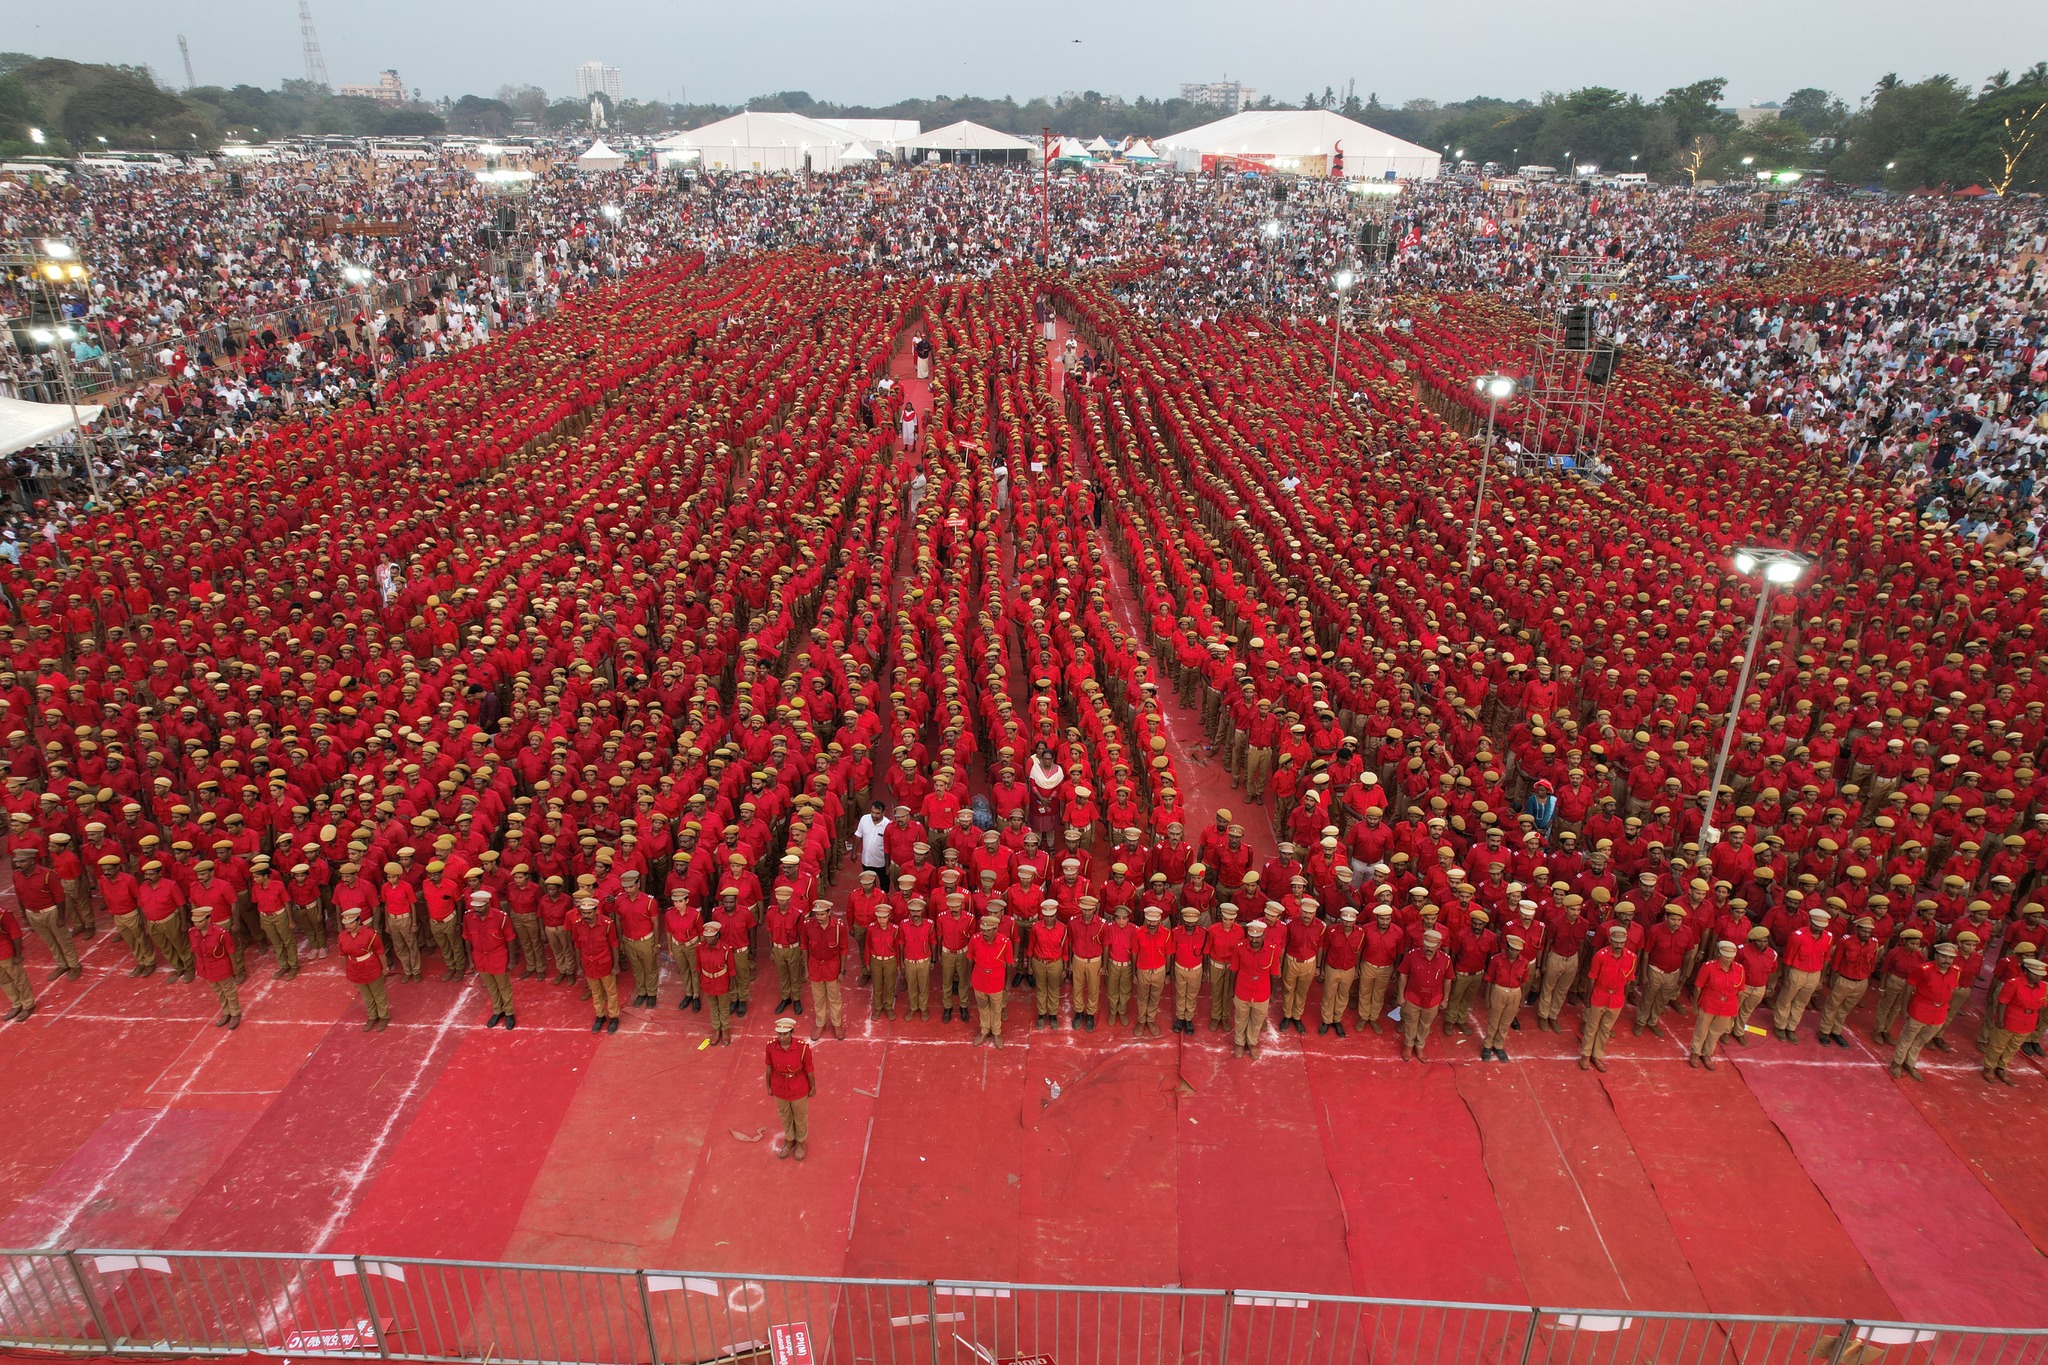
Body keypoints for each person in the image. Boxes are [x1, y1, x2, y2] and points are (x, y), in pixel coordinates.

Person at [1890, 942, 1964, 1080]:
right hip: (1921, 1009)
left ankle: (1910, 1063)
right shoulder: (1923, 969)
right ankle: (1896, 1063)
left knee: (1922, 1039)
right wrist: (1904, 1009)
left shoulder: (1956, 971)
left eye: (1950, 958)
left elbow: (1951, 990)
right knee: (1907, 1037)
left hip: (1940, 1013)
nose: (1946, 960)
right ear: (1936, 956)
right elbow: (1908, 988)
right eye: (1943, 956)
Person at [1580, 925, 1637, 1071]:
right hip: (1599, 995)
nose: (1618, 945)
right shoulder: (1600, 955)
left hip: (1617, 998)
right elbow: (1592, 978)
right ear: (1610, 940)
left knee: (1606, 1029)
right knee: (1592, 1027)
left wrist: (1624, 998)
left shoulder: (1631, 957)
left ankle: (1597, 1055)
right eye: (1616, 941)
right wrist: (1587, 999)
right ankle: (1586, 1054)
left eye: (1621, 942)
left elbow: (1629, 980)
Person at [1984, 958, 2047, 1085]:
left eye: (2040, 975)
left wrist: (2037, 1022)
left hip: (2028, 1021)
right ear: (2026, 971)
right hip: (2011, 1019)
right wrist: (2000, 1020)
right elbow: (2002, 1002)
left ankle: (2001, 1067)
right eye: (2035, 974)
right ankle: (1989, 1067)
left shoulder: (2043, 987)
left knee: (2013, 1047)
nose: (2037, 978)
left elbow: (2041, 1006)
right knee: (1997, 1045)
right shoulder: (2014, 983)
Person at [1397, 927, 1453, 1060]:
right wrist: (1400, 995)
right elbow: (1403, 975)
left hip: (1433, 999)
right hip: (1413, 997)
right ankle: (1409, 1044)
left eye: (1433, 946)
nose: (1429, 948)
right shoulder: (1412, 955)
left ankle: (1420, 1045)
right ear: (1422, 942)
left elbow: (1448, 980)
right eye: (1427, 945)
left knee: (1425, 1024)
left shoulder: (1446, 960)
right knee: (1410, 1022)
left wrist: (1445, 999)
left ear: (1439, 945)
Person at [464, 889, 517, 1029]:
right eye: (474, 906)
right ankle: (498, 1011)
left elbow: (510, 939)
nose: (476, 909)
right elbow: (467, 939)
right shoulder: (468, 917)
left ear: (488, 904)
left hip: (497, 956)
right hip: (480, 957)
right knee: (491, 987)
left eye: (479, 907)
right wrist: (470, 960)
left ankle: (509, 1012)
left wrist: (511, 960)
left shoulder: (501, 917)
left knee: (504, 986)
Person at [766, 1017, 816, 1160]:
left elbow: (809, 1068)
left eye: (785, 1034)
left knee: (800, 1116)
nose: (782, 1037)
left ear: (792, 1032)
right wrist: (768, 1086)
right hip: (779, 1086)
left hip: (798, 1086)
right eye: (779, 1034)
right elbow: (769, 1066)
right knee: (785, 1115)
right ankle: (789, 1139)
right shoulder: (770, 1046)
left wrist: (813, 1087)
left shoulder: (802, 1047)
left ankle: (801, 1142)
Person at [1690, 940, 1744, 1069]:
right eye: (1725, 956)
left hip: (1728, 1006)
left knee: (1716, 1032)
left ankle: (1707, 1053)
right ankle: (1695, 1052)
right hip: (1709, 1002)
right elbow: (1698, 987)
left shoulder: (1739, 969)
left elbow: (1740, 990)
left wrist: (1736, 1009)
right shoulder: (1708, 966)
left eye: (1731, 957)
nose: (1728, 959)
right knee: (1701, 1029)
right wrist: (1695, 1005)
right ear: (1718, 954)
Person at [1231, 919, 1280, 1058]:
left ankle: (1252, 1042)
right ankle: (1239, 1043)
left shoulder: (1272, 950)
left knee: (1257, 1019)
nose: (1254, 940)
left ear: (1263, 936)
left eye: (1257, 937)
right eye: (1251, 936)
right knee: (1240, 1018)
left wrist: (1272, 994)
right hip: (1243, 989)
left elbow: (1275, 973)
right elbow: (1234, 969)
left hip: (1262, 991)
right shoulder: (1239, 947)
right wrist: (1231, 989)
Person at [572, 896, 620, 1034]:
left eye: (589, 912)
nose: (586, 915)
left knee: (610, 992)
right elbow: (577, 946)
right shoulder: (577, 925)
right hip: (588, 965)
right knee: (596, 992)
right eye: (583, 912)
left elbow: (614, 944)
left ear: (596, 911)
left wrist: (616, 965)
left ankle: (614, 1016)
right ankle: (600, 1016)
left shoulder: (607, 923)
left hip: (604, 964)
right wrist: (579, 966)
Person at [338, 906, 390, 1032]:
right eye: (346, 924)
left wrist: (385, 968)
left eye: (351, 923)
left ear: (358, 921)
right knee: (366, 995)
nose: (348, 926)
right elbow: (342, 955)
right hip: (355, 968)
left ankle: (383, 1016)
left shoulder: (370, 934)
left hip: (370, 967)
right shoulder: (342, 936)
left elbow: (380, 952)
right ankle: (372, 1016)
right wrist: (346, 971)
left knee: (378, 993)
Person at [965, 911, 1013, 1046]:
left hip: (996, 981)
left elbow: (1009, 963)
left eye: (988, 930)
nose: (984, 933)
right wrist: (970, 978)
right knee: (982, 1006)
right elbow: (969, 959)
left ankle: (997, 1032)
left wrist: (1007, 983)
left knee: (996, 1008)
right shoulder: (975, 939)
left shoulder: (1005, 942)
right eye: (983, 930)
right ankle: (985, 1030)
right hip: (979, 980)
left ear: (996, 929)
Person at [801, 899, 848, 1039]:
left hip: (832, 967)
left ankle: (837, 1024)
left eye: (822, 914)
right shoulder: (808, 925)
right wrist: (806, 969)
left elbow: (844, 949)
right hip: (815, 967)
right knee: (818, 998)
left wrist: (842, 971)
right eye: (817, 914)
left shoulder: (839, 927)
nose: (819, 918)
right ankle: (820, 1023)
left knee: (834, 997)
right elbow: (804, 946)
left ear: (829, 912)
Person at [189, 905, 240, 1030]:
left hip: (220, 966)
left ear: (208, 919)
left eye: (200, 921)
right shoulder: (192, 933)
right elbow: (195, 951)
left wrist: (235, 968)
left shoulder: (220, 933)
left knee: (229, 991)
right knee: (218, 991)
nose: (197, 924)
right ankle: (226, 1012)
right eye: (195, 921)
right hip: (206, 968)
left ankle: (235, 1013)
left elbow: (230, 950)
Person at [1479, 934, 1530, 1061]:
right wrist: (1487, 997)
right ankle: (1487, 1045)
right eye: (1512, 949)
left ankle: (1498, 1045)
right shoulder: (1496, 959)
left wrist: (1521, 999)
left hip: (1515, 993)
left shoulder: (1524, 962)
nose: (1514, 952)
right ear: (1507, 948)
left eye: (1517, 950)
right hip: (1499, 991)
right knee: (1493, 1021)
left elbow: (1524, 982)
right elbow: (1490, 979)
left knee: (1506, 1022)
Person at [1028, 902, 1070, 1028]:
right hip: (1039, 962)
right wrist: (1029, 965)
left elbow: (1065, 950)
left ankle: (1052, 1014)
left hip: (1055, 963)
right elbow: (1031, 946)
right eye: (1046, 916)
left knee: (1054, 989)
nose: (1049, 919)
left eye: (1051, 916)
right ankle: (1041, 1014)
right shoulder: (1036, 927)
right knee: (1040, 989)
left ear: (1056, 914)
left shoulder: (1063, 928)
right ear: (1043, 915)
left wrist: (1065, 968)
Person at [698, 920, 738, 1045]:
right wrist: (700, 981)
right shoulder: (700, 948)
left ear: (717, 936)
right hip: (707, 981)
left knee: (724, 1007)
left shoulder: (725, 949)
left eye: (711, 937)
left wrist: (731, 984)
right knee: (713, 1007)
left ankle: (725, 1029)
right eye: (706, 937)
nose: (708, 939)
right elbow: (698, 967)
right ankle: (716, 1029)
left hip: (721, 982)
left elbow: (731, 968)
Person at [0, 899, 33, 1022]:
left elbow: (15, 934)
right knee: (4, 981)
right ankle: (16, 1003)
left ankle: (28, 1004)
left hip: (6, 952)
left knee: (19, 978)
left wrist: (18, 955)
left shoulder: (4, 914)